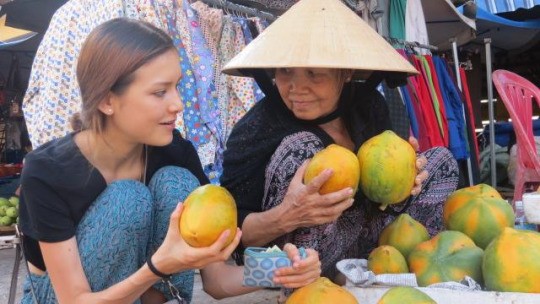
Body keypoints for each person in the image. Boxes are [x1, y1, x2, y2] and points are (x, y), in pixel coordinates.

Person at [18, 18, 321, 304]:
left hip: (142, 291)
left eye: (176, 87)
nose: (178, 104)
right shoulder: (47, 172)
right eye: (160, 92)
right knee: (128, 199)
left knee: (176, 181)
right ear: (107, 100)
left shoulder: (176, 153)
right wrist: (158, 266)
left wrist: (284, 268)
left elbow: (216, 280)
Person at [220, 0, 459, 281]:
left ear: (345, 73)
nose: (297, 88)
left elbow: (379, 196)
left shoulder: (369, 106)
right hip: (299, 265)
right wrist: (287, 214)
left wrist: (408, 177)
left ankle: (396, 269)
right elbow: (231, 235)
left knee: (441, 162)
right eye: (285, 71)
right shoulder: (257, 129)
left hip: (374, 246)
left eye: (313, 73)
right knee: (302, 148)